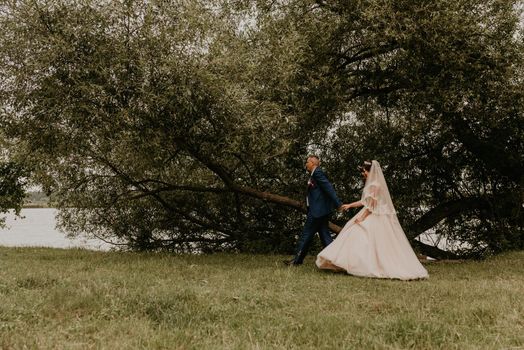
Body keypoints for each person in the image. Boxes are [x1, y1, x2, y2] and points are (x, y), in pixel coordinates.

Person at [316, 160, 428, 280]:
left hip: (374, 215)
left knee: (362, 235)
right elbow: (365, 201)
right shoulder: (373, 184)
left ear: (369, 171)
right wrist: (350, 205)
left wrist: (362, 217)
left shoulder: (374, 185)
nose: (363, 173)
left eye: (364, 171)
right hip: (373, 212)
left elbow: (372, 206)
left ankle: (362, 265)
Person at [285, 155, 346, 266]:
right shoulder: (314, 175)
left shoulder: (317, 173)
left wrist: (338, 204)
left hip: (317, 212)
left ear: (313, 163)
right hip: (321, 211)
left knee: (306, 235)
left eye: (307, 162)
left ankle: (297, 261)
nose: (306, 164)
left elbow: (329, 188)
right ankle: (335, 261)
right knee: (325, 236)